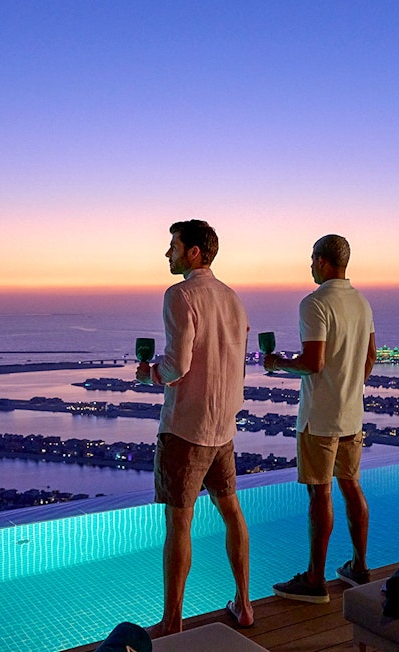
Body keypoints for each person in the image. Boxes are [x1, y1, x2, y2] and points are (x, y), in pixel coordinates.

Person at [136, 219, 255, 636]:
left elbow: (178, 365)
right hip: (223, 426)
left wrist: (151, 373)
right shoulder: (233, 298)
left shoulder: (180, 295)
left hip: (187, 428)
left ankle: (171, 623)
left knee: (179, 524)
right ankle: (243, 604)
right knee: (231, 511)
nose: (166, 252)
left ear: (194, 253)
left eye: (173, 245)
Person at [264, 234, 376, 604]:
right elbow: (370, 357)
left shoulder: (314, 304)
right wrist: (350, 386)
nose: (309, 265)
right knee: (351, 485)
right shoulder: (361, 302)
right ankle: (359, 567)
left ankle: (315, 580)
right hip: (352, 414)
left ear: (324, 262)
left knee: (320, 492)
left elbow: (313, 363)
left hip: (320, 418)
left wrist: (278, 363)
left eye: (312, 259)